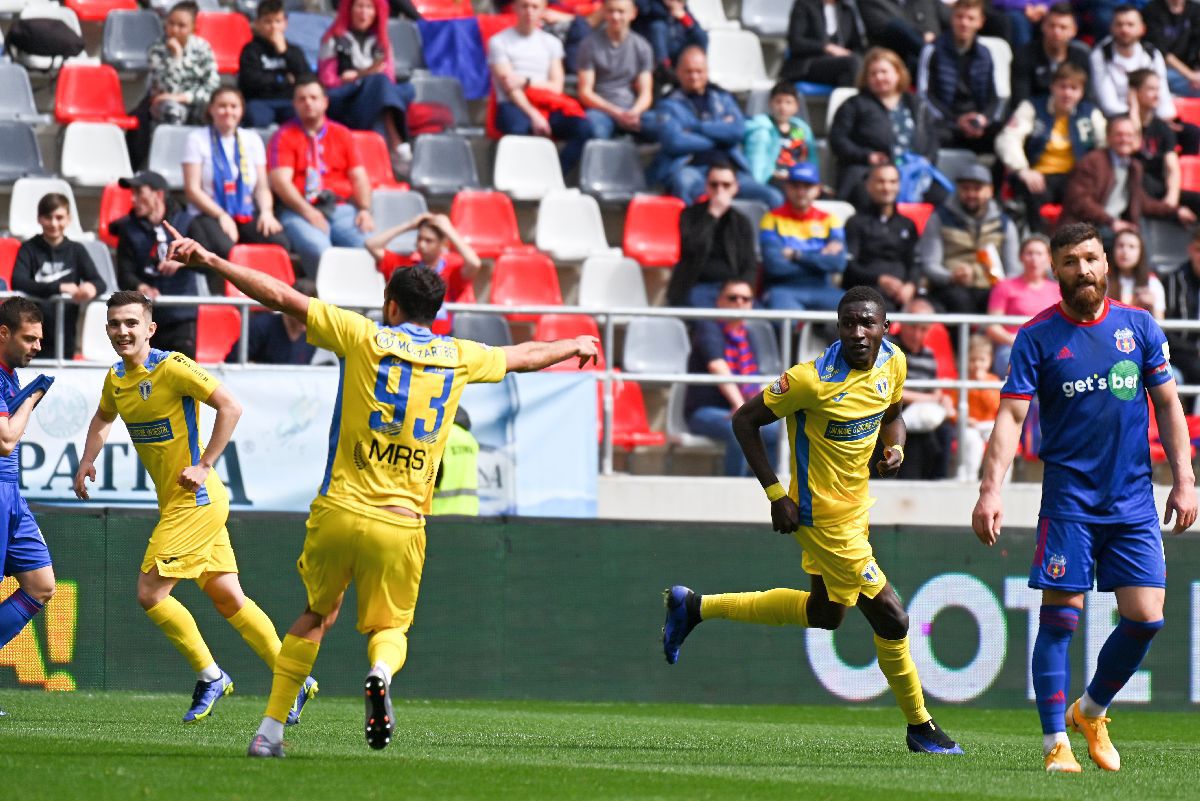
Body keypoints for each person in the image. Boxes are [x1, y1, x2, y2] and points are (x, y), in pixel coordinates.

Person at [155, 224, 600, 758]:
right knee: (389, 627)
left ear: (390, 306)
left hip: (339, 510)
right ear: (433, 313)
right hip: (401, 520)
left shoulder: (361, 335)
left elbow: (278, 296)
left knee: (317, 615)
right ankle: (381, 673)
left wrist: (208, 260)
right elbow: (524, 355)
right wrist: (572, 342)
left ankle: (269, 734)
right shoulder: (458, 355)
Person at [663, 285, 964, 755]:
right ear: (838, 327)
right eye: (849, 323)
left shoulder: (894, 362)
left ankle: (695, 607)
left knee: (826, 614)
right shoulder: (810, 380)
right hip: (820, 516)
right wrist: (775, 493)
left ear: (886, 328)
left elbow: (895, 415)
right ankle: (920, 726)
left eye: (868, 323)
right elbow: (744, 420)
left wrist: (896, 447)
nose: (858, 332)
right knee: (893, 615)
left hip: (857, 509)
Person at [972, 222, 1197, 773]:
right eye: (1071, 261)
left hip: (1133, 502)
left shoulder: (1139, 327)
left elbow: (1168, 406)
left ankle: (1090, 709)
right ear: (1055, 269)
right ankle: (1055, 744)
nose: (1084, 270)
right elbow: (1011, 415)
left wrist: (1185, 479)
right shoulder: (1037, 336)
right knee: (1060, 620)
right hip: (1070, 502)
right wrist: (990, 489)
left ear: (1107, 263)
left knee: (1146, 618)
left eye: (1092, 259)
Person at [72, 290, 318, 725]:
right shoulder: (115, 378)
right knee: (228, 597)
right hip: (181, 503)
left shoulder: (174, 366)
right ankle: (293, 675)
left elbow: (231, 406)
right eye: (115, 324)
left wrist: (205, 465)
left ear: (150, 328)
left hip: (196, 500)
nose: (122, 331)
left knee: (150, 593)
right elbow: (103, 417)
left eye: (132, 323)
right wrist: (88, 460)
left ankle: (211, 675)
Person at [644, 46, 782, 206]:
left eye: (699, 71)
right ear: (678, 73)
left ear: (707, 71)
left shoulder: (723, 98)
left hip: (729, 170)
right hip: (692, 168)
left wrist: (697, 128)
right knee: (683, 185)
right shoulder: (667, 104)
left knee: (773, 197)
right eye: (688, 71)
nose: (694, 76)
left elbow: (737, 131)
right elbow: (675, 141)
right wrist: (720, 136)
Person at [268, 77, 375, 279]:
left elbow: (359, 176)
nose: (308, 102)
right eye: (302, 99)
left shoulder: (342, 133)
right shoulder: (284, 135)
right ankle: (329, 304)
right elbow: (280, 182)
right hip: (299, 210)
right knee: (319, 250)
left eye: (313, 97)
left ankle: (363, 304)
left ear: (325, 102)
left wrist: (364, 210)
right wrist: (308, 212)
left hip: (341, 207)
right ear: (295, 104)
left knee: (369, 247)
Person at [0, 300, 55, 672]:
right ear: (3, 333)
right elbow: (5, 440)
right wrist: (33, 398)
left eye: (40, 339)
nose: (37, 346)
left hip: (10, 493)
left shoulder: (10, 374)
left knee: (41, 584)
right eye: (29, 338)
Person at [183, 87, 290, 272]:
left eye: (234, 106)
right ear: (211, 109)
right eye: (222, 106)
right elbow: (192, 190)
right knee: (226, 249)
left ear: (241, 110)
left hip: (244, 210)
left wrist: (266, 212)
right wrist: (221, 215)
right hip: (208, 213)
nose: (228, 111)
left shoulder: (252, 139)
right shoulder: (197, 138)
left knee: (279, 242)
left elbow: (262, 186)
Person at [683, 279, 780, 476]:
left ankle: (764, 488)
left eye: (746, 299)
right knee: (742, 427)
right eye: (732, 298)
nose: (739, 303)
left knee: (775, 430)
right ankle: (734, 485)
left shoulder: (747, 335)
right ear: (719, 302)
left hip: (738, 408)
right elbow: (717, 365)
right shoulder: (709, 328)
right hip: (705, 412)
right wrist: (741, 407)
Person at [995, 63, 1106, 232]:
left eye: (1074, 88)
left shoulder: (1090, 113)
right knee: (1031, 196)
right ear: (1052, 87)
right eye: (1062, 87)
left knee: (1083, 198)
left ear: (1081, 92)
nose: (1067, 93)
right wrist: (1022, 170)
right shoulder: (1032, 107)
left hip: (1074, 177)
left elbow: (1105, 144)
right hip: (1038, 175)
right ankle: (1039, 244)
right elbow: (1008, 138)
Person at [828, 48, 942, 208]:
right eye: (873, 73)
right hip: (869, 172)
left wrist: (927, 159)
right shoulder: (854, 104)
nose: (879, 77)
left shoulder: (916, 104)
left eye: (884, 72)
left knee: (941, 195)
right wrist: (867, 156)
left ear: (898, 73)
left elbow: (932, 138)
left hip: (915, 172)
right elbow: (838, 140)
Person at [490, 0, 594, 175]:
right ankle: (522, 178)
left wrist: (525, 81)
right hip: (514, 104)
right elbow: (510, 87)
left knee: (584, 128)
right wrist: (534, 114)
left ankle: (554, 174)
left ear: (543, 10)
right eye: (524, 6)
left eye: (535, 7)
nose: (529, 12)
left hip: (546, 103)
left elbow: (556, 86)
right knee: (519, 129)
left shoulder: (552, 43)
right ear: (515, 8)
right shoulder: (499, 41)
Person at [1058, 115, 1195, 247]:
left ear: (1137, 140)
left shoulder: (1134, 167)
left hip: (1115, 227)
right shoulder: (1091, 162)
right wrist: (1112, 222)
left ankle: (1147, 271)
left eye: (1129, 135)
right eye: (1119, 134)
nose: (1124, 139)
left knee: (1135, 237)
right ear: (1108, 137)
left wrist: (1176, 211)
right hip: (1089, 227)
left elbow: (1143, 202)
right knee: (1129, 241)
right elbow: (1080, 201)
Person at [114, 171, 203, 358]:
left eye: (139, 193)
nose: (133, 199)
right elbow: (124, 273)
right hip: (144, 322)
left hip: (181, 318)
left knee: (183, 381)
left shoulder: (187, 223)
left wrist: (184, 263)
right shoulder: (128, 229)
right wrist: (141, 287)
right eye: (132, 193)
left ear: (159, 194)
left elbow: (209, 263)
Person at [318, 0, 413, 165]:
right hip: (345, 99)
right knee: (379, 87)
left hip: (375, 97)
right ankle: (397, 143)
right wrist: (359, 77)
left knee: (404, 89)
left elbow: (389, 78)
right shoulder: (333, 38)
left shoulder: (382, 41)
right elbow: (328, 80)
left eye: (369, 7)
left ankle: (382, 159)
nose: (364, 12)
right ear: (349, 8)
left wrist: (362, 76)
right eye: (359, 6)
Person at [11, 194, 106, 359]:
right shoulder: (28, 249)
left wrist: (91, 288)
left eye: (59, 217)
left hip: (65, 333)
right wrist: (59, 287)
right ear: (39, 219)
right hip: (31, 335)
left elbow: (100, 282)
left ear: (68, 219)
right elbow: (18, 281)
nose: (54, 223)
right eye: (48, 217)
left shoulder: (77, 250)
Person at [918, 163, 1020, 314]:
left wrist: (1001, 287)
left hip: (991, 286)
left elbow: (1014, 270)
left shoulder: (1004, 224)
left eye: (977, 189)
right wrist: (951, 277)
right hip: (951, 286)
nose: (971, 194)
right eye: (965, 188)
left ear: (990, 191)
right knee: (958, 300)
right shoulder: (939, 218)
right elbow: (929, 263)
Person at [364, 212, 481, 335]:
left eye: (428, 240)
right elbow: (371, 245)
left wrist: (448, 229)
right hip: (405, 337)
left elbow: (474, 263)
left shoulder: (452, 268)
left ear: (442, 244)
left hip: (441, 340)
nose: (421, 244)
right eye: (419, 238)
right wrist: (409, 225)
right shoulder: (407, 266)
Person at [664, 163, 758, 308]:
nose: (720, 190)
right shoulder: (689, 215)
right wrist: (712, 216)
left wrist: (741, 291)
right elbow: (690, 248)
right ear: (706, 187)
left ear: (735, 188)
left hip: (732, 289)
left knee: (761, 320)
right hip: (696, 286)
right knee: (708, 324)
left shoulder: (741, 222)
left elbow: (749, 264)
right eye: (714, 185)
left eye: (726, 185)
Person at [916, 0, 1005, 154]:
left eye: (970, 18)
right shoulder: (932, 50)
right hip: (945, 123)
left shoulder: (986, 54)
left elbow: (996, 97)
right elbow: (925, 95)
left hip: (977, 123)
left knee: (1006, 136)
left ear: (980, 22)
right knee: (930, 136)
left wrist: (983, 119)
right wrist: (956, 120)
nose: (964, 23)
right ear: (952, 18)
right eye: (959, 17)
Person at [760, 162, 846, 312]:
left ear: (818, 189)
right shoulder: (771, 218)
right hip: (783, 287)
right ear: (786, 187)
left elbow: (838, 263)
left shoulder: (830, 220)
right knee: (786, 320)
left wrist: (796, 255)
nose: (801, 192)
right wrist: (819, 260)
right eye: (795, 185)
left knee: (856, 314)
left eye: (807, 186)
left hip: (822, 288)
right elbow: (775, 266)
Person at [890, 296, 954, 479]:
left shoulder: (928, 355)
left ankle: (940, 483)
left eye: (923, 329)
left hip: (920, 411)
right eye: (913, 327)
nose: (917, 334)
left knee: (944, 430)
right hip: (894, 411)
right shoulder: (888, 348)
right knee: (920, 437)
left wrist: (943, 400)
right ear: (902, 323)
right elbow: (888, 391)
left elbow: (934, 389)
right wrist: (933, 399)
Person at [843, 163, 918, 311]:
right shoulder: (855, 223)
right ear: (868, 185)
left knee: (931, 309)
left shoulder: (908, 225)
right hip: (869, 291)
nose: (886, 188)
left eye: (892, 182)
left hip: (904, 292)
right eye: (881, 181)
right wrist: (879, 279)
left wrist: (911, 285)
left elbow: (915, 262)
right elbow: (850, 266)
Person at [576, 0, 654, 141]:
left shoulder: (642, 47)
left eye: (621, 11)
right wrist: (616, 113)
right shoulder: (589, 45)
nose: (615, 16)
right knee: (593, 128)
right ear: (604, 12)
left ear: (633, 13)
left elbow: (646, 92)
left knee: (663, 126)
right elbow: (585, 92)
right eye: (611, 11)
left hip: (631, 109)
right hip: (601, 110)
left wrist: (634, 112)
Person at [987, 234, 1062, 376]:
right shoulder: (1004, 286)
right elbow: (992, 326)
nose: (1034, 259)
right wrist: (1016, 340)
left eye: (1039, 254)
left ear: (1049, 259)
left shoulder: (1058, 290)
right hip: (1012, 347)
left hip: (1049, 347)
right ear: (1021, 257)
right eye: (1029, 253)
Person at [1128, 69, 1200, 216]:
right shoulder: (1122, 124)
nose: (1157, 94)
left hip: (1158, 187)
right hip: (1133, 188)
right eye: (1150, 89)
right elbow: (1133, 146)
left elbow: (1172, 167)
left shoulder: (1163, 127)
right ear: (1135, 92)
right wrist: (1133, 112)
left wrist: (1172, 199)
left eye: (1158, 89)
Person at [238, 0, 315, 128]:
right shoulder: (250, 50)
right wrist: (283, 79)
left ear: (285, 23)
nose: (273, 27)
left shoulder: (294, 51)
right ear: (257, 24)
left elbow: (305, 78)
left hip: (289, 101)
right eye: (268, 22)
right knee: (256, 117)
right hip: (260, 102)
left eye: (278, 21)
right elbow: (251, 81)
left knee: (305, 116)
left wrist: (285, 52)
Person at [1091, 5, 1176, 120]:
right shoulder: (1101, 55)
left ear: (1142, 28)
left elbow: (1163, 95)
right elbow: (1108, 105)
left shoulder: (1152, 54)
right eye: (1119, 24)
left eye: (1130, 25)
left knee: (1189, 131)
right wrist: (1135, 116)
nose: (1124, 30)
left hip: (1150, 117)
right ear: (1111, 28)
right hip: (1116, 120)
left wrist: (1165, 120)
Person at [147, 2, 219, 127]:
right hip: (166, 103)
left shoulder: (202, 48)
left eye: (181, 25)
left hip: (196, 100)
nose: (174, 29)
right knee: (173, 111)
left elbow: (212, 85)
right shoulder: (157, 49)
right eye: (171, 23)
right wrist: (177, 57)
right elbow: (168, 90)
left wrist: (186, 97)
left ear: (193, 27)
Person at [1012, 3, 1091, 105]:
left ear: (1074, 31)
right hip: (1033, 115)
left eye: (1063, 27)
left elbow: (1086, 98)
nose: (1056, 32)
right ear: (1043, 26)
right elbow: (1020, 99)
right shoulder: (1025, 54)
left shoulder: (1081, 57)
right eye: (1052, 26)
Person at [743, 82, 818, 191]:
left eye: (788, 102)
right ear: (770, 103)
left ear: (796, 106)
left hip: (799, 177)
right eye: (778, 102)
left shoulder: (799, 129)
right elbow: (757, 164)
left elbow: (807, 155)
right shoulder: (763, 129)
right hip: (772, 179)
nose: (783, 107)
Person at [227, 280, 320, 365]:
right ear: (288, 307)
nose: (306, 316)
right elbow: (232, 364)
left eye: (311, 311)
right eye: (300, 310)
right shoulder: (261, 326)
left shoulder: (313, 337)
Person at [779, 0, 866, 87]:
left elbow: (857, 46)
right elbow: (796, 43)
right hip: (809, 64)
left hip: (842, 65)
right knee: (852, 63)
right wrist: (826, 47)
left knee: (851, 73)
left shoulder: (846, 11)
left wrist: (849, 53)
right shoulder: (804, 5)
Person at [858, 0, 941, 72]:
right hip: (894, 54)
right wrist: (922, 37)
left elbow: (948, 17)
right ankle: (934, 56)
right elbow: (887, 28)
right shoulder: (871, 2)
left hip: (931, 49)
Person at [1162, 226, 1200, 384]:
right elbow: (1167, 333)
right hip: (1181, 354)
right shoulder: (1173, 281)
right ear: (1190, 249)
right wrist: (1195, 350)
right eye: (1199, 250)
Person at [960, 334, 1000, 480]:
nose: (977, 364)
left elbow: (995, 405)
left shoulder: (993, 380)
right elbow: (954, 408)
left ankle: (1000, 480)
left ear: (989, 360)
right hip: (969, 425)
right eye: (972, 360)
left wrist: (983, 385)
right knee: (972, 441)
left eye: (981, 360)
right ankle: (970, 477)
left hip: (989, 424)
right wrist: (964, 419)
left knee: (999, 441)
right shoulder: (961, 380)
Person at [1143, 0, 1200, 99]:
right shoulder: (1152, 10)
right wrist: (1191, 76)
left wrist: (1197, 72)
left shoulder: (1195, 9)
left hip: (1190, 69)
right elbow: (1161, 52)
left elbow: (1197, 43)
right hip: (1162, 69)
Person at [431, 407, 480, 516]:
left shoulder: (439, 435)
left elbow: (431, 475)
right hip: (470, 512)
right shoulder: (469, 438)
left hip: (439, 512)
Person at [633, 0, 708, 70]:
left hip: (680, 55)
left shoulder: (683, 10)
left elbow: (698, 33)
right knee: (658, 27)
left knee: (700, 35)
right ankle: (664, 70)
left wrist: (684, 18)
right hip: (654, 56)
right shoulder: (650, 7)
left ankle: (697, 67)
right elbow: (640, 7)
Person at [1110, 229, 1166, 318]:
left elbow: (1161, 326)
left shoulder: (1152, 283)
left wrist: (1152, 307)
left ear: (1141, 252)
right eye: (1120, 246)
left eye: (1131, 246)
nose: (1125, 251)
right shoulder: (1103, 280)